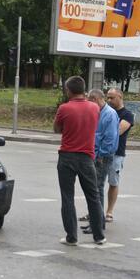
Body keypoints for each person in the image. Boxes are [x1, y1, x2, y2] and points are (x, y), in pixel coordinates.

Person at [53, 76, 106, 246]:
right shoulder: (94, 108)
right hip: (87, 157)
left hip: (67, 156)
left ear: (68, 90)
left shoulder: (64, 108)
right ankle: (99, 236)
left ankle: (71, 237)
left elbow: (56, 129)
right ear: (84, 90)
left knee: (67, 197)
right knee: (93, 197)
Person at [81, 88, 119, 234]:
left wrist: (99, 156)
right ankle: (96, 221)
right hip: (95, 155)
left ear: (95, 99)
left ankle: (97, 224)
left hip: (102, 157)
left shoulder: (109, 114)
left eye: (90, 101)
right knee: (95, 189)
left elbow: (109, 139)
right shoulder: (98, 112)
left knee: (97, 189)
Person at [104, 88, 134, 222]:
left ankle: (109, 211)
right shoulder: (104, 111)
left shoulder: (127, 114)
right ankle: (93, 211)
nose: (109, 100)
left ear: (120, 96)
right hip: (101, 152)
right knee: (96, 184)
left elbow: (116, 132)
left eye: (112, 98)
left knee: (113, 182)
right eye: (107, 98)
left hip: (116, 153)